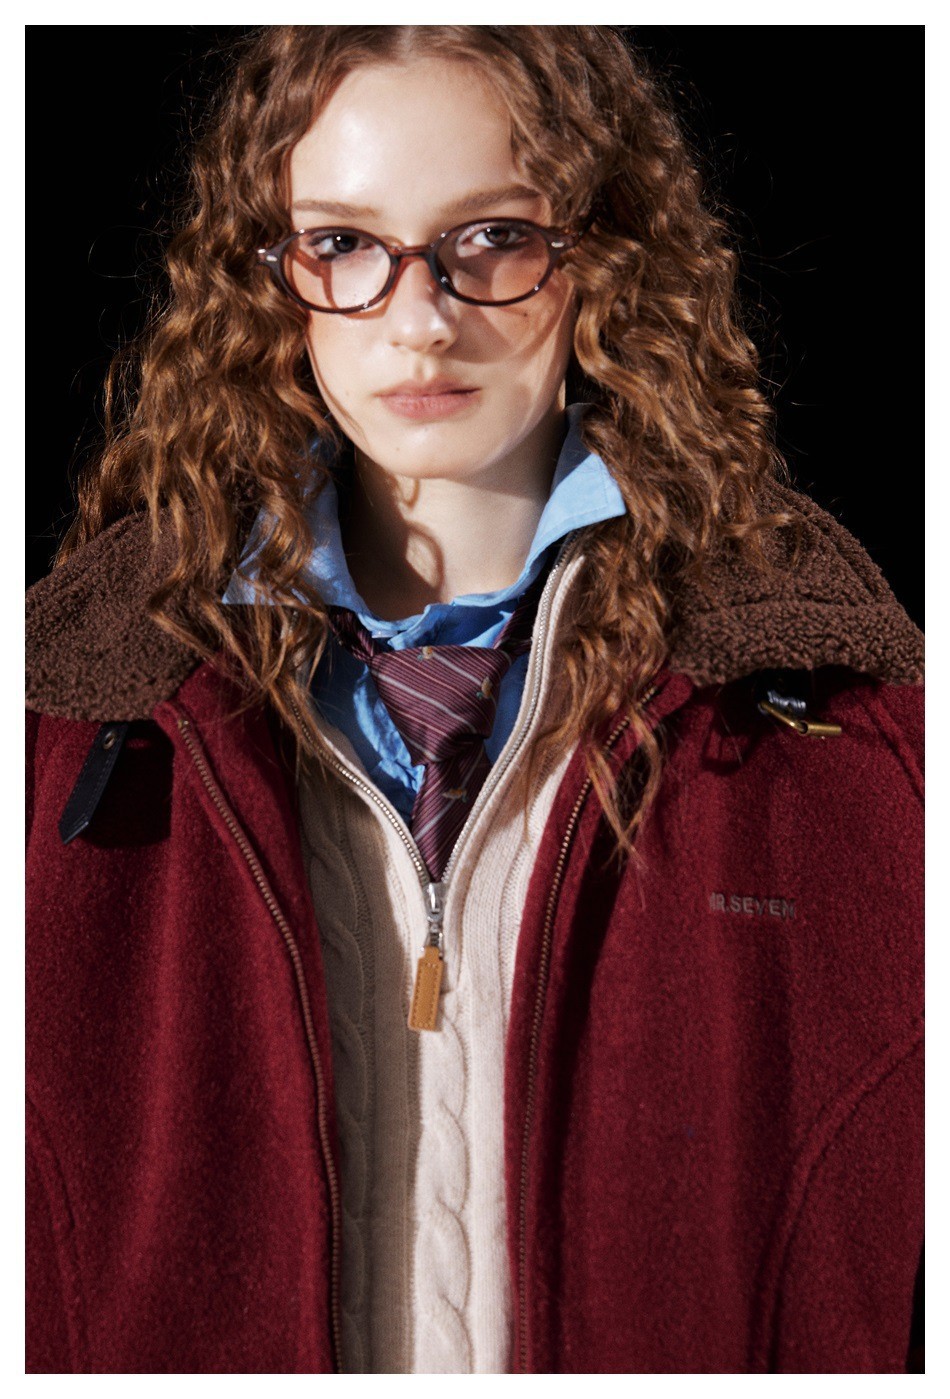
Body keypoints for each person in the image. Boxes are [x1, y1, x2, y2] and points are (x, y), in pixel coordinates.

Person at [25, 26, 923, 1375]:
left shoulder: (853, 731)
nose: (419, 319)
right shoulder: (65, 717)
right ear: (267, 276)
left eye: (491, 238)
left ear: (603, 257)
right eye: (342, 244)